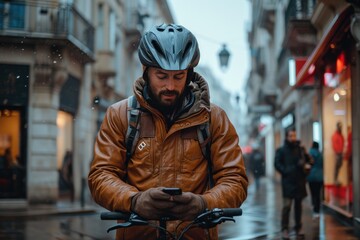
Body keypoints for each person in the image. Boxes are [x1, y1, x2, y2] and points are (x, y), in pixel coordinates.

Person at [88, 23, 248, 240]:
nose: (170, 86)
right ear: (146, 72)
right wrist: (134, 200)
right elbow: (101, 175)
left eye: (178, 76)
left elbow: (234, 179)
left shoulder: (214, 118)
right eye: (162, 76)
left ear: (189, 75)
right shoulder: (120, 115)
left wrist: (204, 203)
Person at [274, 128, 312, 239]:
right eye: (291, 136)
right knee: (287, 206)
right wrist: (286, 171)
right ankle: (284, 228)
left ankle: (298, 227)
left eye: (294, 135)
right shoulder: (281, 150)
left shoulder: (300, 149)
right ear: (287, 137)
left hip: (299, 182)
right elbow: (277, 163)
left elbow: (309, 160)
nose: (293, 138)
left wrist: (307, 165)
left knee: (298, 207)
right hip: (288, 182)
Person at [306, 141, 323, 219]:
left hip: (312, 176)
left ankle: (314, 206)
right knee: (318, 194)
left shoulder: (310, 153)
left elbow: (308, 164)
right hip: (320, 176)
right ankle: (317, 210)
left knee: (313, 193)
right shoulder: (320, 154)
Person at [332, 121, 344, 186]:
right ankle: (335, 180)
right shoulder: (335, 135)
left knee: (339, 166)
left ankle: (336, 179)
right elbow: (334, 144)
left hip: (340, 153)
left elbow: (342, 142)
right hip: (338, 153)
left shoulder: (340, 135)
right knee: (337, 167)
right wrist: (337, 152)